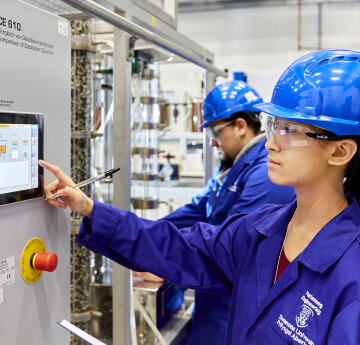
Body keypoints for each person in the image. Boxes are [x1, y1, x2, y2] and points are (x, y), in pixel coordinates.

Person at [41, 48, 360, 344]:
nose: (270, 143)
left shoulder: (351, 276)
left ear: (340, 151)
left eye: (289, 129)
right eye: (273, 125)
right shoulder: (258, 231)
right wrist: (89, 208)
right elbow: (177, 247)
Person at [134, 80, 294, 345]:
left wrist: (165, 264)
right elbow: (196, 210)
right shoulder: (231, 168)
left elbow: (232, 246)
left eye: (216, 134)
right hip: (212, 302)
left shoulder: (264, 173)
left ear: (240, 126)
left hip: (233, 304)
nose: (213, 144)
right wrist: (143, 236)